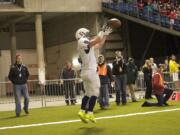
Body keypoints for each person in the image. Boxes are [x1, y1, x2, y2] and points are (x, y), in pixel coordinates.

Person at [76, 26, 112, 123]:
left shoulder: (83, 44)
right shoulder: (82, 41)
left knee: (88, 93)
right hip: (91, 71)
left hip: (85, 72)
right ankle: (90, 113)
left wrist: (105, 34)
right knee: (96, 92)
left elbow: (99, 44)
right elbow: (97, 39)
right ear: (82, 35)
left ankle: (82, 111)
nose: (88, 36)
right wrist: (102, 31)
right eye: (86, 34)